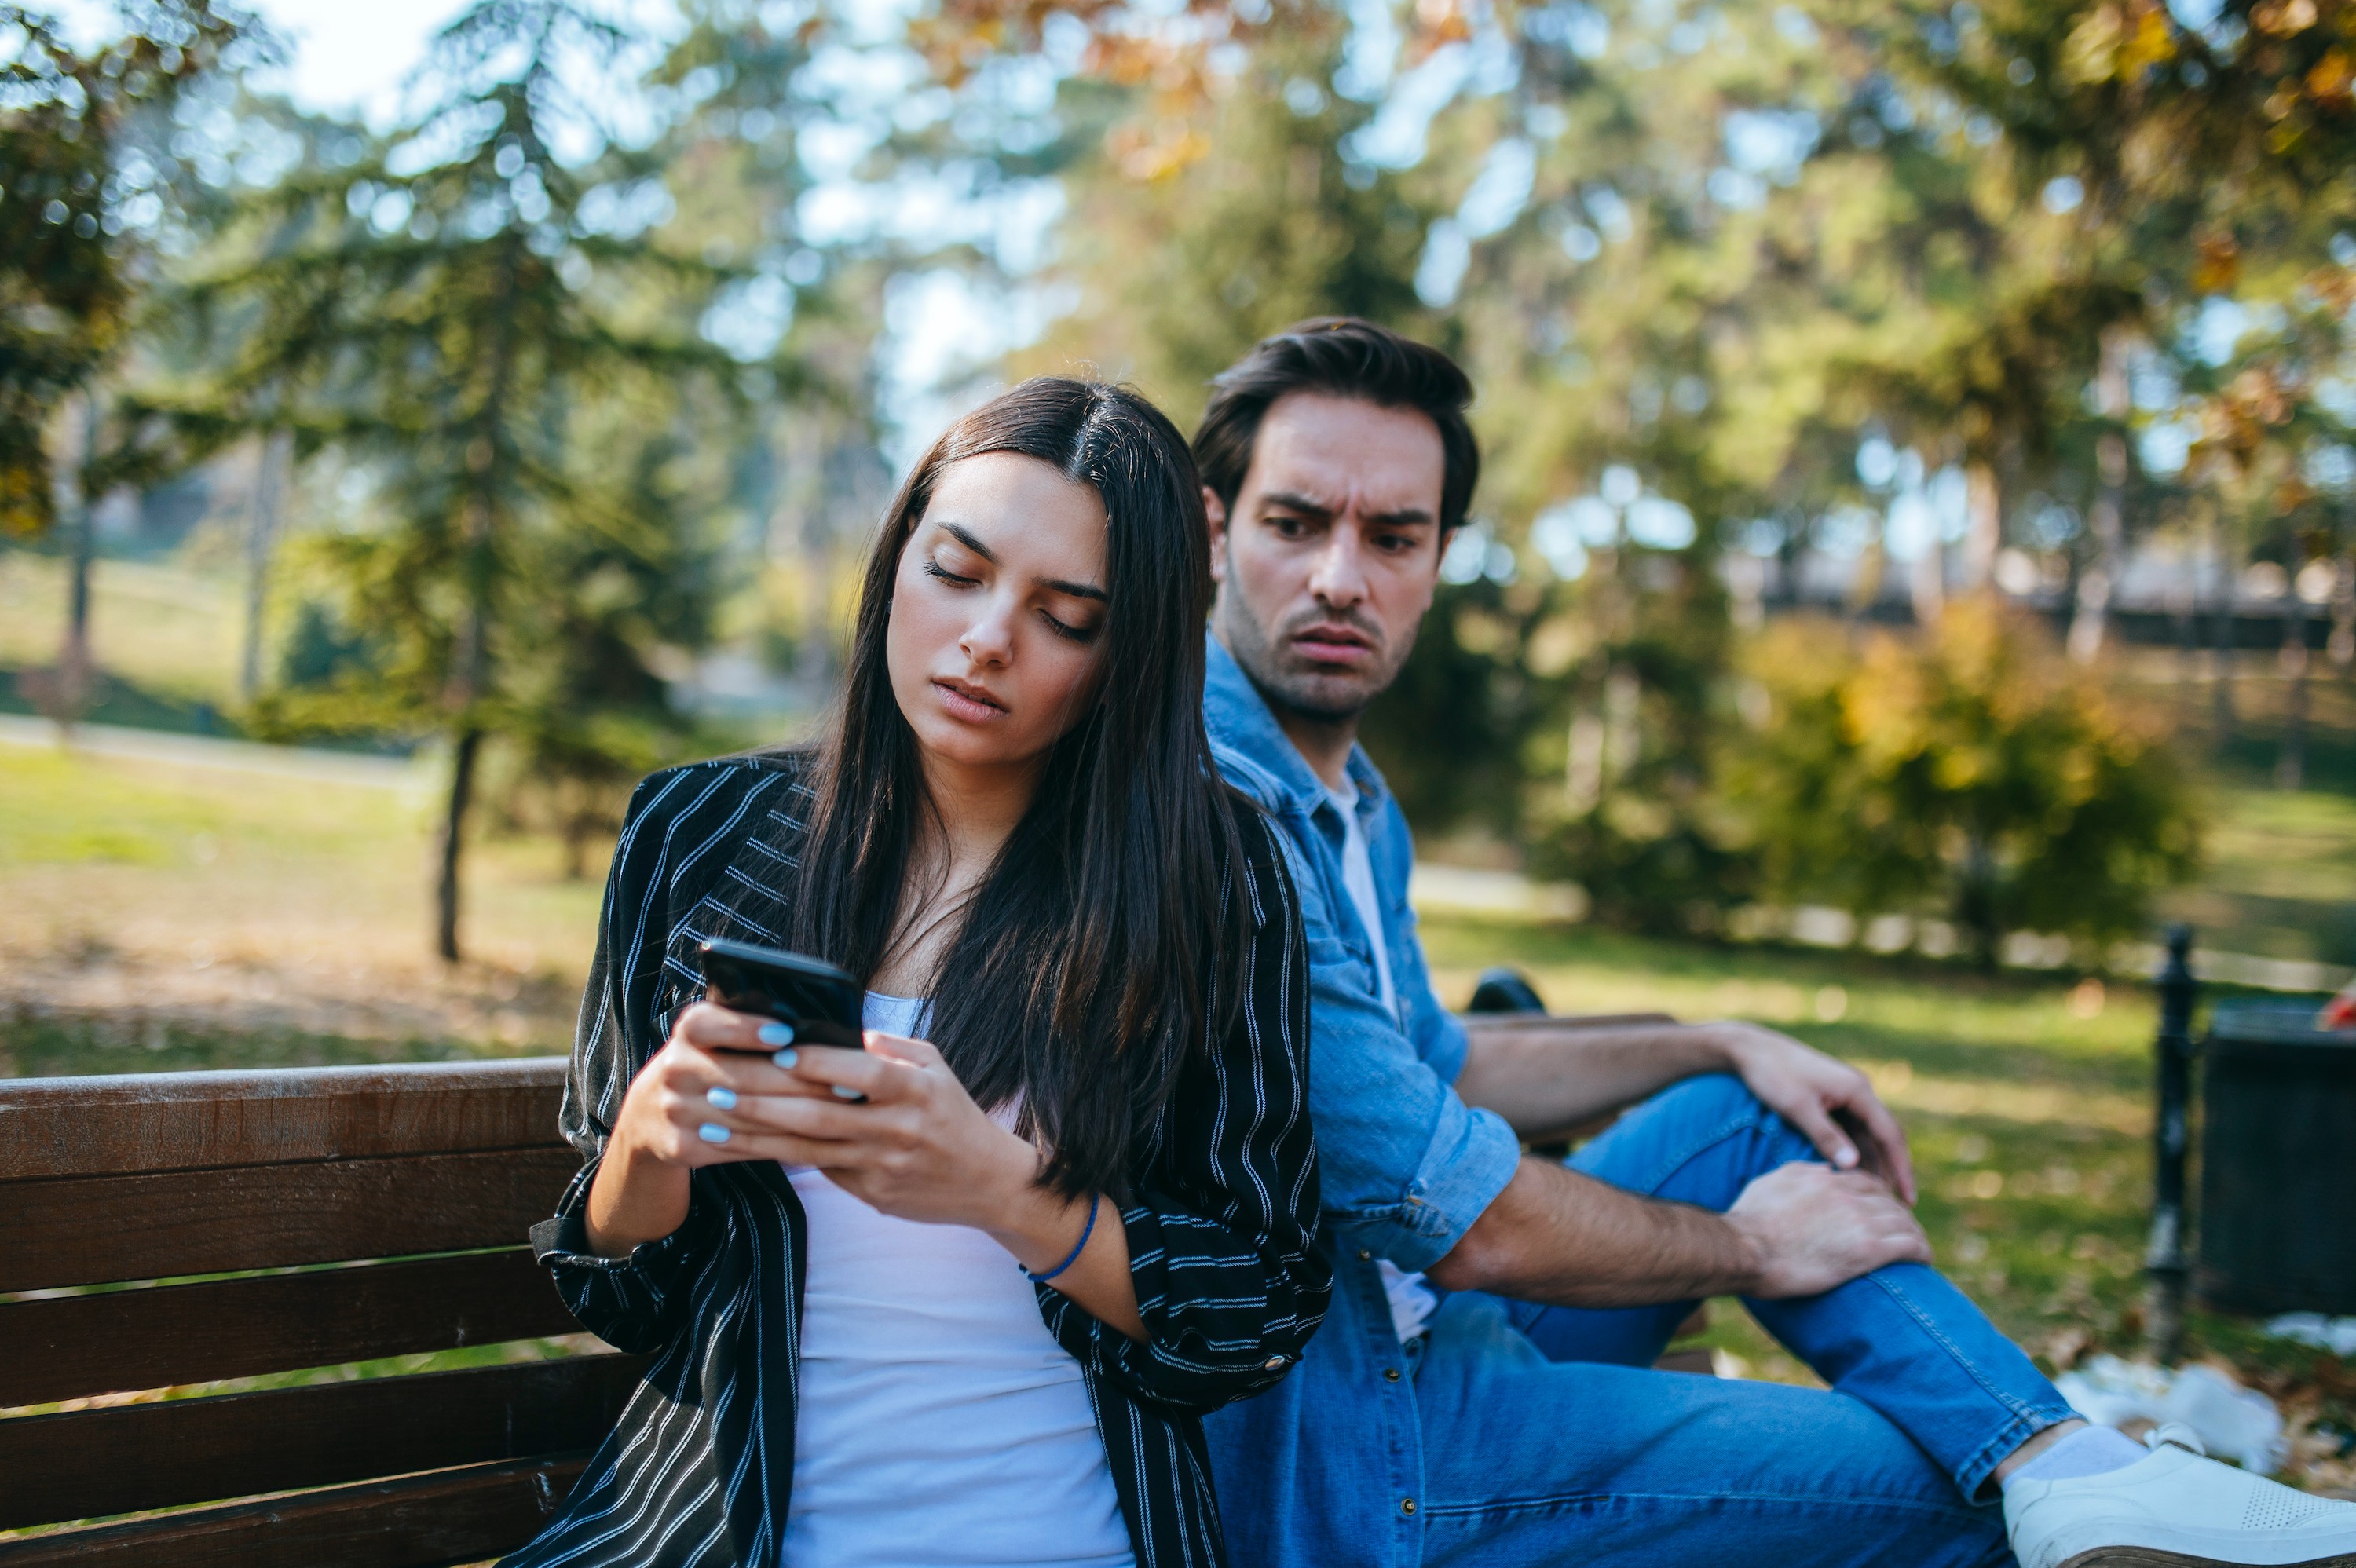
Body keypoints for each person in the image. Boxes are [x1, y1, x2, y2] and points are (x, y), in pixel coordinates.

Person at [1192, 317, 2356, 1568]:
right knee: (1941, 1496)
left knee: (1759, 1108)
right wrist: (1754, 1247)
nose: (1340, 577)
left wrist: (1722, 1035)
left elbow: (1440, 1062)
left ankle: (2064, 1463)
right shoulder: (1209, 813)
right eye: (1296, 523)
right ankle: (2049, 1480)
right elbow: (1468, 1221)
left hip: (1445, 1335)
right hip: (1363, 1450)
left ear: (1440, 558)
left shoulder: (1355, 802)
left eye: (1393, 536)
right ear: (1215, 533)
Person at [503, 378, 1329, 1568]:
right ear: (899, 562)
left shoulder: (1211, 877)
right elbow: (623, 1299)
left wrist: (1001, 1189)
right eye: (958, 570)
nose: (988, 635)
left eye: (1068, 616)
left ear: (1126, 658)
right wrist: (648, 1142)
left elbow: (1257, 1307)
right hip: (725, 1540)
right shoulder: (698, 834)